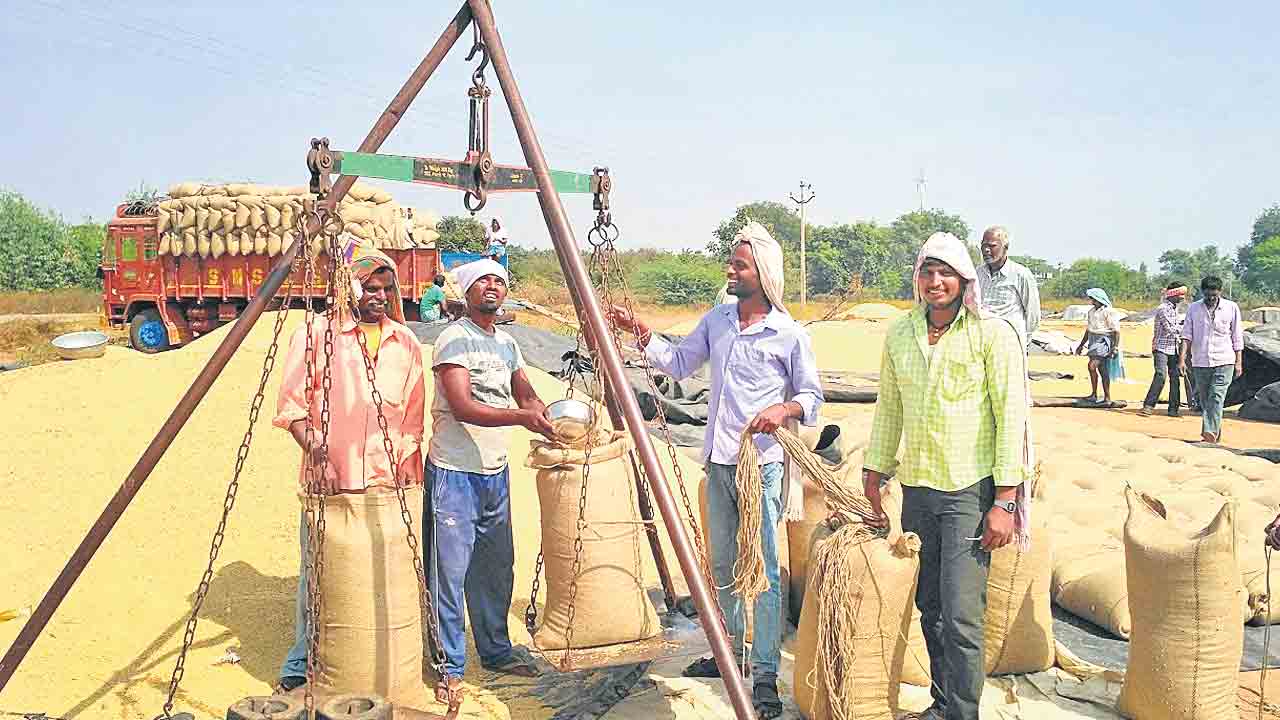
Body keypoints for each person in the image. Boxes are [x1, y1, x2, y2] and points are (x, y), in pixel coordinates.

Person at [608, 221, 823, 720]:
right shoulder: (719, 321)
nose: (730, 269)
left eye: (739, 264)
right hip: (721, 464)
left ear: (762, 275)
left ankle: (765, 674)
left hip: (763, 468)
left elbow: (811, 397)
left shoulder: (788, 334)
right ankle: (730, 653)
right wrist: (640, 331)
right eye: (731, 261)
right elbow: (680, 363)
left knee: (764, 572)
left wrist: (782, 412)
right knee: (723, 566)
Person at [863, 232, 1029, 720]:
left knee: (961, 617)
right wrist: (876, 471)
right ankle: (942, 706)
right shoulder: (900, 333)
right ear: (917, 278)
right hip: (918, 490)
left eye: (946, 274)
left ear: (964, 281)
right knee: (930, 610)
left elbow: (1010, 418)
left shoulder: (991, 334)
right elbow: (889, 408)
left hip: (969, 493)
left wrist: (1004, 501)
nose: (935, 282)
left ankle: (963, 714)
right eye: (927, 272)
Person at [271, 238, 426, 693]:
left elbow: (412, 417)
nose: (378, 296)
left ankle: (377, 660)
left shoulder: (407, 344)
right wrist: (316, 451)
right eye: (368, 287)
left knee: (380, 573)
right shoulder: (316, 335)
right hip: (331, 478)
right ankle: (302, 660)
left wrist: (409, 462)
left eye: (384, 287)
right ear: (347, 289)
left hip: (383, 482)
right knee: (317, 571)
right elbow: (292, 407)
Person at [426, 258, 555, 704]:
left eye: (499, 281)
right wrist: (523, 418)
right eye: (483, 281)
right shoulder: (452, 340)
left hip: (493, 472)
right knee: (450, 571)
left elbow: (525, 393)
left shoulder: (507, 344)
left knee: (496, 567)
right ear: (465, 291)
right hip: (453, 472)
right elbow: (462, 406)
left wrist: (543, 411)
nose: (492, 288)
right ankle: (448, 667)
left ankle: (497, 651)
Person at [1179, 275, 1244, 443]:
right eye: (1207, 294)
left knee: (1216, 396)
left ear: (1220, 292)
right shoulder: (1194, 308)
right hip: (1200, 361)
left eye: (1214, 294)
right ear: (1202, 292)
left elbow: (1237, 336)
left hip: (1225, 360)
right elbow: (1186, 335)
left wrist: (1239, 362)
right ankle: (1215, 435)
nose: (1211, 298)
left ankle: (1208, 432)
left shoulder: (1231, 308)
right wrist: (1182, 359)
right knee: (1206, 399)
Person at [976, 225, 1041, 348]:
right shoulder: (977, 274)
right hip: (982, 343)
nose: (986, 250)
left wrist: (1023, 342)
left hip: (1010, 344)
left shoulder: (1021, 274)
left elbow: (1033, 314)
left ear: (1005, 247)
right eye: (984, 245)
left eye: (992, 246)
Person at [1139, 283, 1187, 417]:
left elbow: (1176, 327)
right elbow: (1170, 329)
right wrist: (1188, 329)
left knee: (1175, 377)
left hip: (1174, 347)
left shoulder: (1175, 308)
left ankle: (1173, 409)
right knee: (1161, 375)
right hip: (1161, 347)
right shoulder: (1163, 309)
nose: (1183, 297)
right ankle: (1148, 406)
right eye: (1181, 295)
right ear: (1173, 294)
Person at [1074, 288, 1121, 406]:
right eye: (1092, 299)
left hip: (1104, 341)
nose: (1092, 301)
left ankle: (1102, 396)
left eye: (1094, 299)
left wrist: (1115, 347)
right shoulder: (1091, 312)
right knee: (1102, 369)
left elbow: (1116, 331)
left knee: (1092, 366)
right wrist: (1081, 344)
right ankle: (1099, 395)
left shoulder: (1108, 311)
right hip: (1093, 340)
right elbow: (1089, 329)